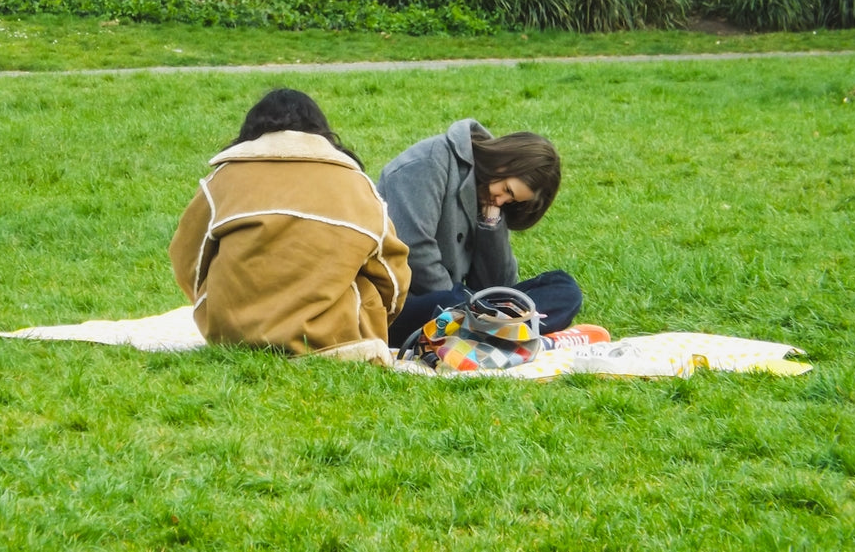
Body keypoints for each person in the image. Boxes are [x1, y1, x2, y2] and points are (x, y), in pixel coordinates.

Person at [169, 88, 411, 360]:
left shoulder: (222, 181)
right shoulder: (357, 186)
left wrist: (210, 304)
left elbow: (187, 259)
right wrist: (377, 321)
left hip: (231, 334)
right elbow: (392, 276)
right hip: (330, 338)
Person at [377, 118, 582, 346]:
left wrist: (490, 223)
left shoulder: (491, 192)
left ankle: (489, 332)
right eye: (506, 190)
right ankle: (499, 332)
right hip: (400, 306)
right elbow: (414, 250)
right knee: (453, 298)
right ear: (503, 161)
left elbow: (499, 285)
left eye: (511, 199)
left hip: (461, 306)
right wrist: (466, 308)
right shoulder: (427, 163)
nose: (502, 199)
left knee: (564, 288)